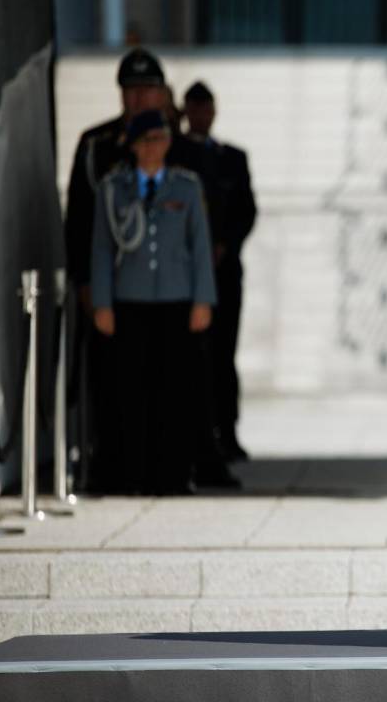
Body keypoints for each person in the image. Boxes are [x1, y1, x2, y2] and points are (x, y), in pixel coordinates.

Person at [89, 110, 218, 495]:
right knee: (131, 392)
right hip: (131, 300)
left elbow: (200, 247)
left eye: (159, 139)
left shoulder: (186, 187)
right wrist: (102, 302)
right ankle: (134, 474)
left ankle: (173, 474)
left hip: (176, 300)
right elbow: (101, 247)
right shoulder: (114, 188)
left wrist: (203, 299)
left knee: (175, 392)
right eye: (145, 141)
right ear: (133, 146)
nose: (153, 148)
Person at [64, 48, 171, 490]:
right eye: (132, 91)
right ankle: (111, 468)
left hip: (166, 289)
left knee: (168, 384)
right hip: (113, 287)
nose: (140, 99)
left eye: (148, 90)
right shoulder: (97, 145)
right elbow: (80, 220)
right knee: (110, 383)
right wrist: (86, 283)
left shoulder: (174, 142)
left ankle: (168, 470)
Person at [183, 81, 257, 463]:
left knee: (224, 355)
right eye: (193, 108)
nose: (201, 115)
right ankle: (192, 434)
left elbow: (247, 211)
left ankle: (226, 431)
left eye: (206, 107)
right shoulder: (175, 153)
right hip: (185, 275)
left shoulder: (232, 158)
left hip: (224, 271)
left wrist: (225, 245)